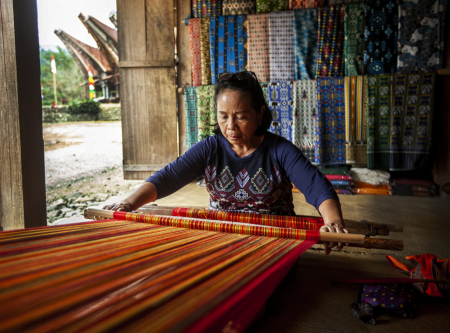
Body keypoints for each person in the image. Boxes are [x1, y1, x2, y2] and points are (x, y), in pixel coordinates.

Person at [104, 71, 348, 254]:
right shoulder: (210, 148)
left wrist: (333, 222)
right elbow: (168, 177)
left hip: (271, 242)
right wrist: (128, 203)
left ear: (260, 114)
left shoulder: (279, 150)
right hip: (221, 236)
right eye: (223, 116)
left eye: (241, 117)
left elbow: (316, 186)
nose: (230, 126)